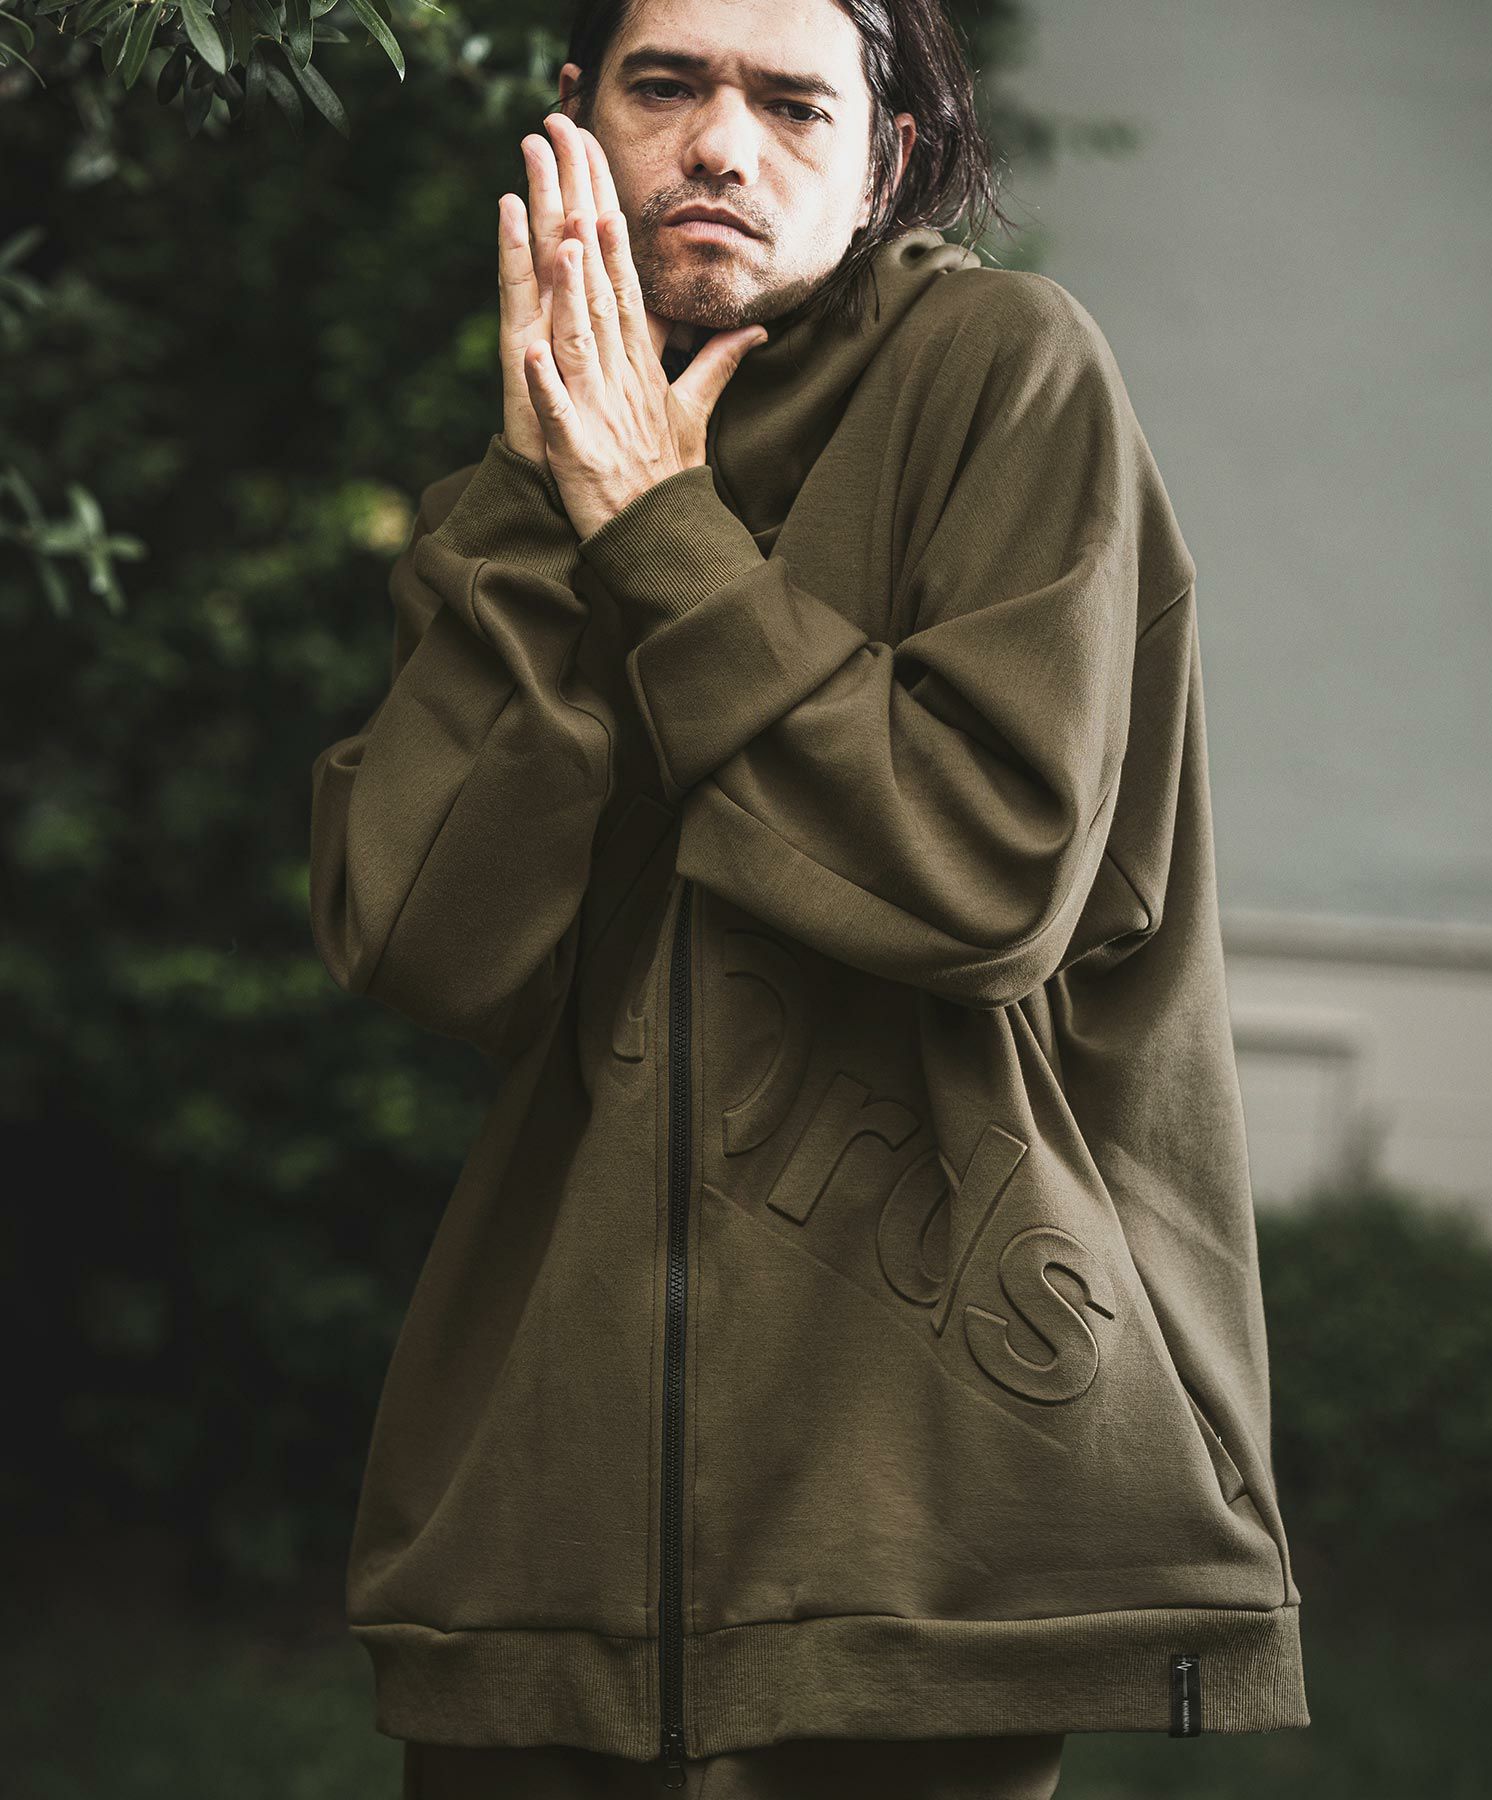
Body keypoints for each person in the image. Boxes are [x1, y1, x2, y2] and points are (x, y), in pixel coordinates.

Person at [308, 0, 1311, 1793]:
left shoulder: (1005, 371)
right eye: (667, 84)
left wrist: (661, 539)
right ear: (575, 119)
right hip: (546, 1535)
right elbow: (421, 941)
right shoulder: (540, 470)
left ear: (887, 160)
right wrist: (546, 501)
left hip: (932, 1507)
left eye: (793, 104)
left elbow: (983, 877)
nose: (721, 143)